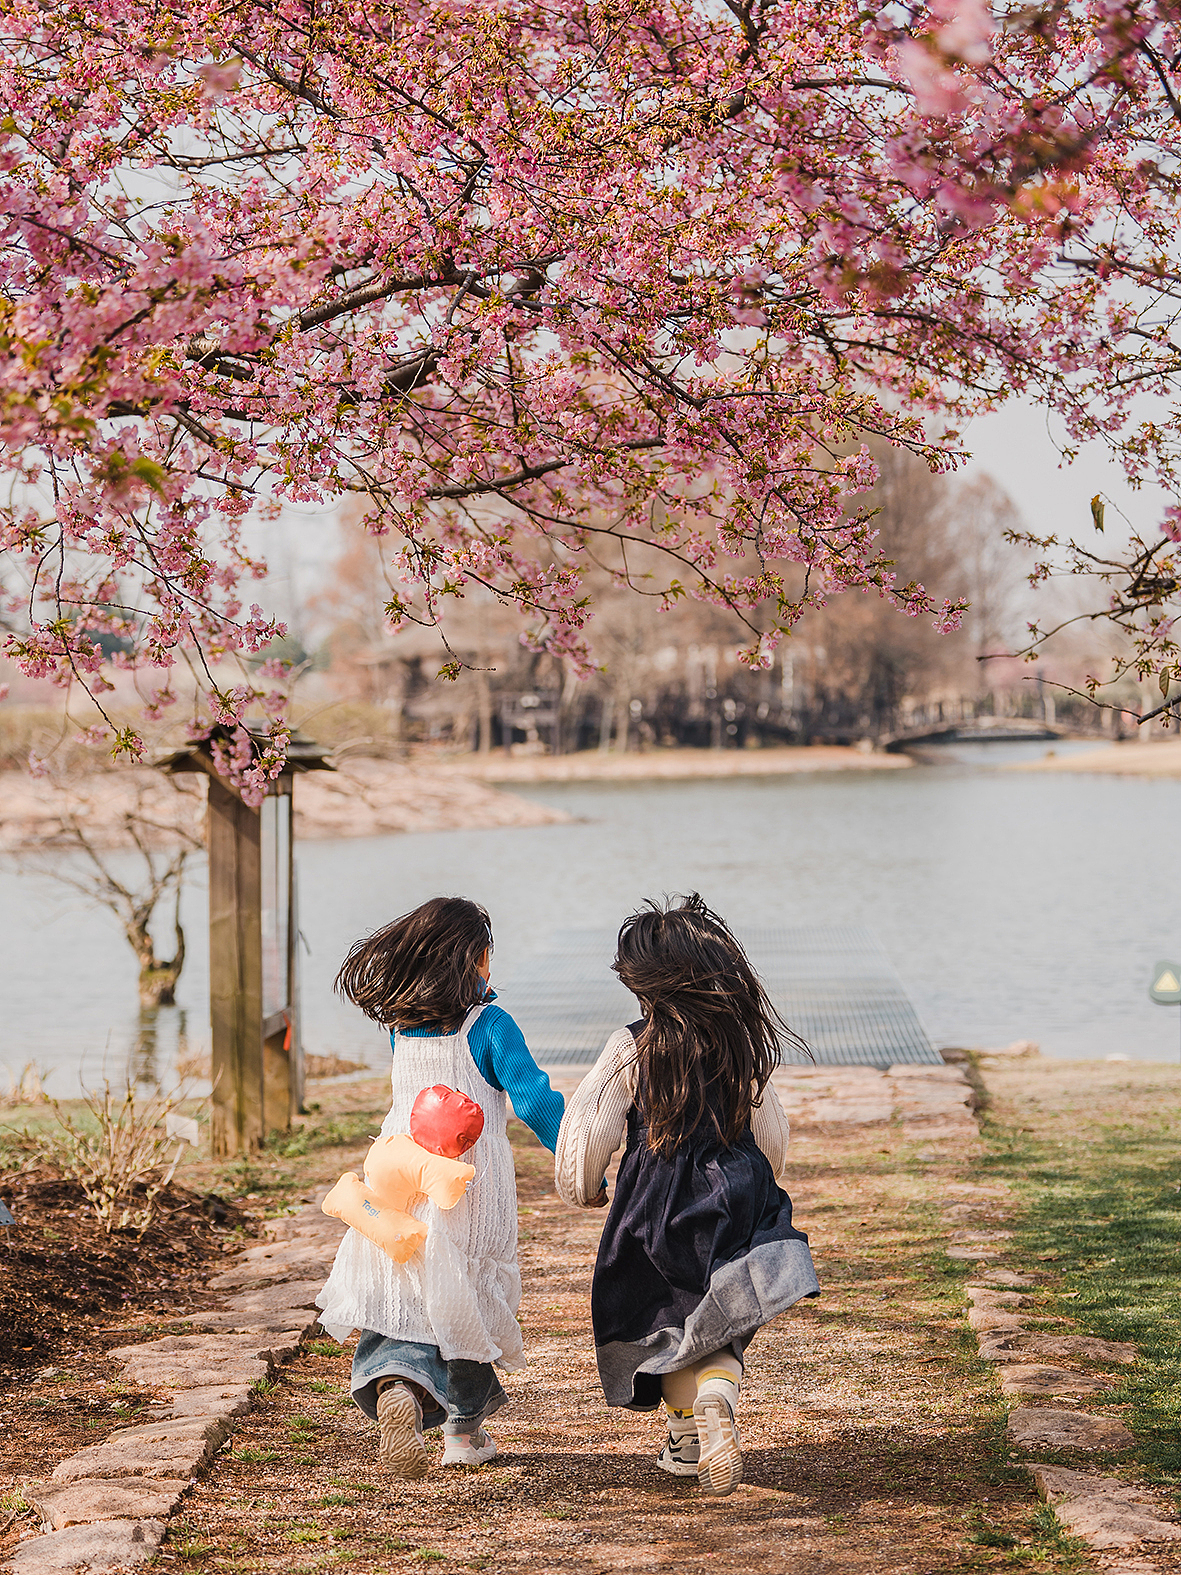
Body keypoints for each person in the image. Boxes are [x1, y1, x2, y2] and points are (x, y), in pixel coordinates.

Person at [555, 893, 819, 1496]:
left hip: (656, 1202)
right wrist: (761, 1176)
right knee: (720, 1320)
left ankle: (686, 1433)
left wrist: (582, 1185)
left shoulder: (632, 1045)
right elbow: (771, 1134)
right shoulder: (736, 1042)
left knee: (665, 1329)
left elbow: (589, 1126)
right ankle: (718, 1395)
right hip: (738, 1191)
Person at [316, 896, 564, 1478]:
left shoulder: (401, 1029)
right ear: (474, 959)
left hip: (398, 1181)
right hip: (468, 1190)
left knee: (404, 1289)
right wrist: (580, 1163)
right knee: (462, 1298)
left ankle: (398, 1385)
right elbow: (534, 1101)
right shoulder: (491, 1027)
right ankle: (461, 1432)